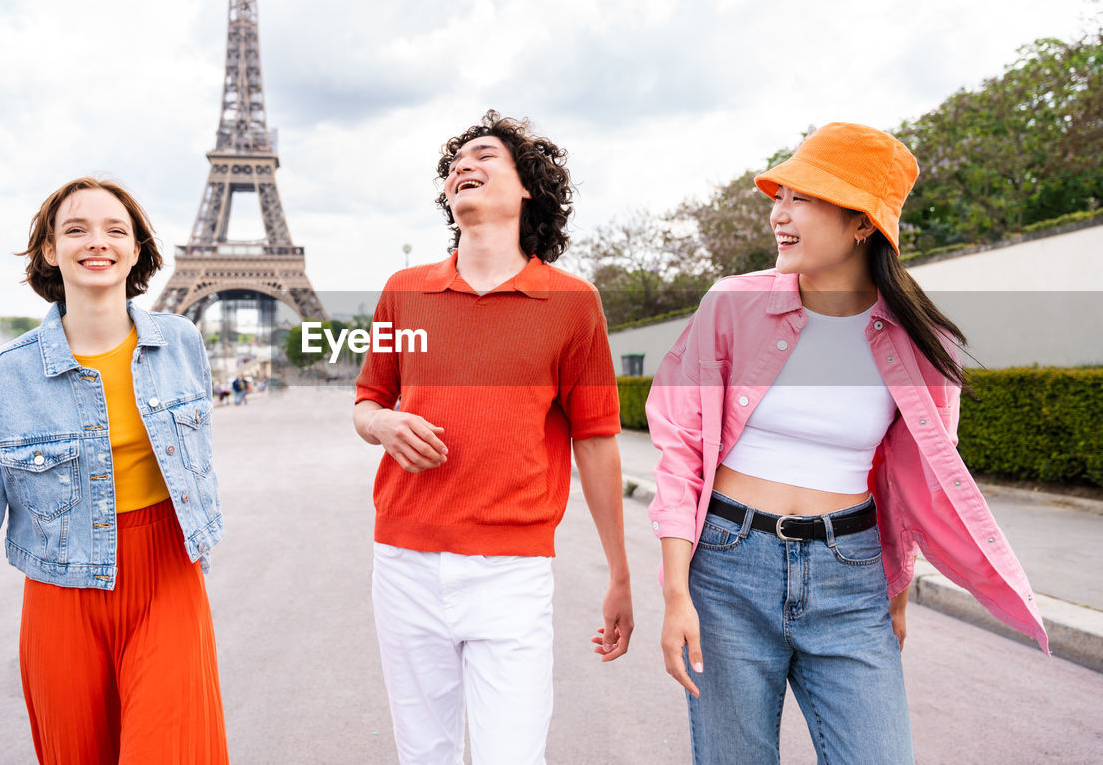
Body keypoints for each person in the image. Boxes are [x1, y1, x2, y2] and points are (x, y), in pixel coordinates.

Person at [647, 122, 1048, 764]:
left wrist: (894, 595)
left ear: (863, 223)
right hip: (727, 568)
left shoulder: (923, 342)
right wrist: (675, 594)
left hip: (850, 573)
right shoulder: (730, 306)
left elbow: (915, 491)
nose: (779, 215)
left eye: (801, 198)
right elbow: (681, 451)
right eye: (779, 197)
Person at [0, 177, 228, 763]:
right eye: (76, 229)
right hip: (62, 599)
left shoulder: (181, 342)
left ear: (138, 249)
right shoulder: (5, 376)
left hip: (169, 582)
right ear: (50, 250)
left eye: (114, 229)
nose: (97, 242)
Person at [353, 110, 634, 765]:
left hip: (512, 571)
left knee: (512, 755)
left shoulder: (572, 303)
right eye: (456, 162)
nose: (463, 167)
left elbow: (595, 440)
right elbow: (367, 402)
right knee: (424, 756)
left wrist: (620, 572)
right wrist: (385, 423)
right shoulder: (404, 291)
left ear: (528, 187)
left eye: (485, 155)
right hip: (405, 561)